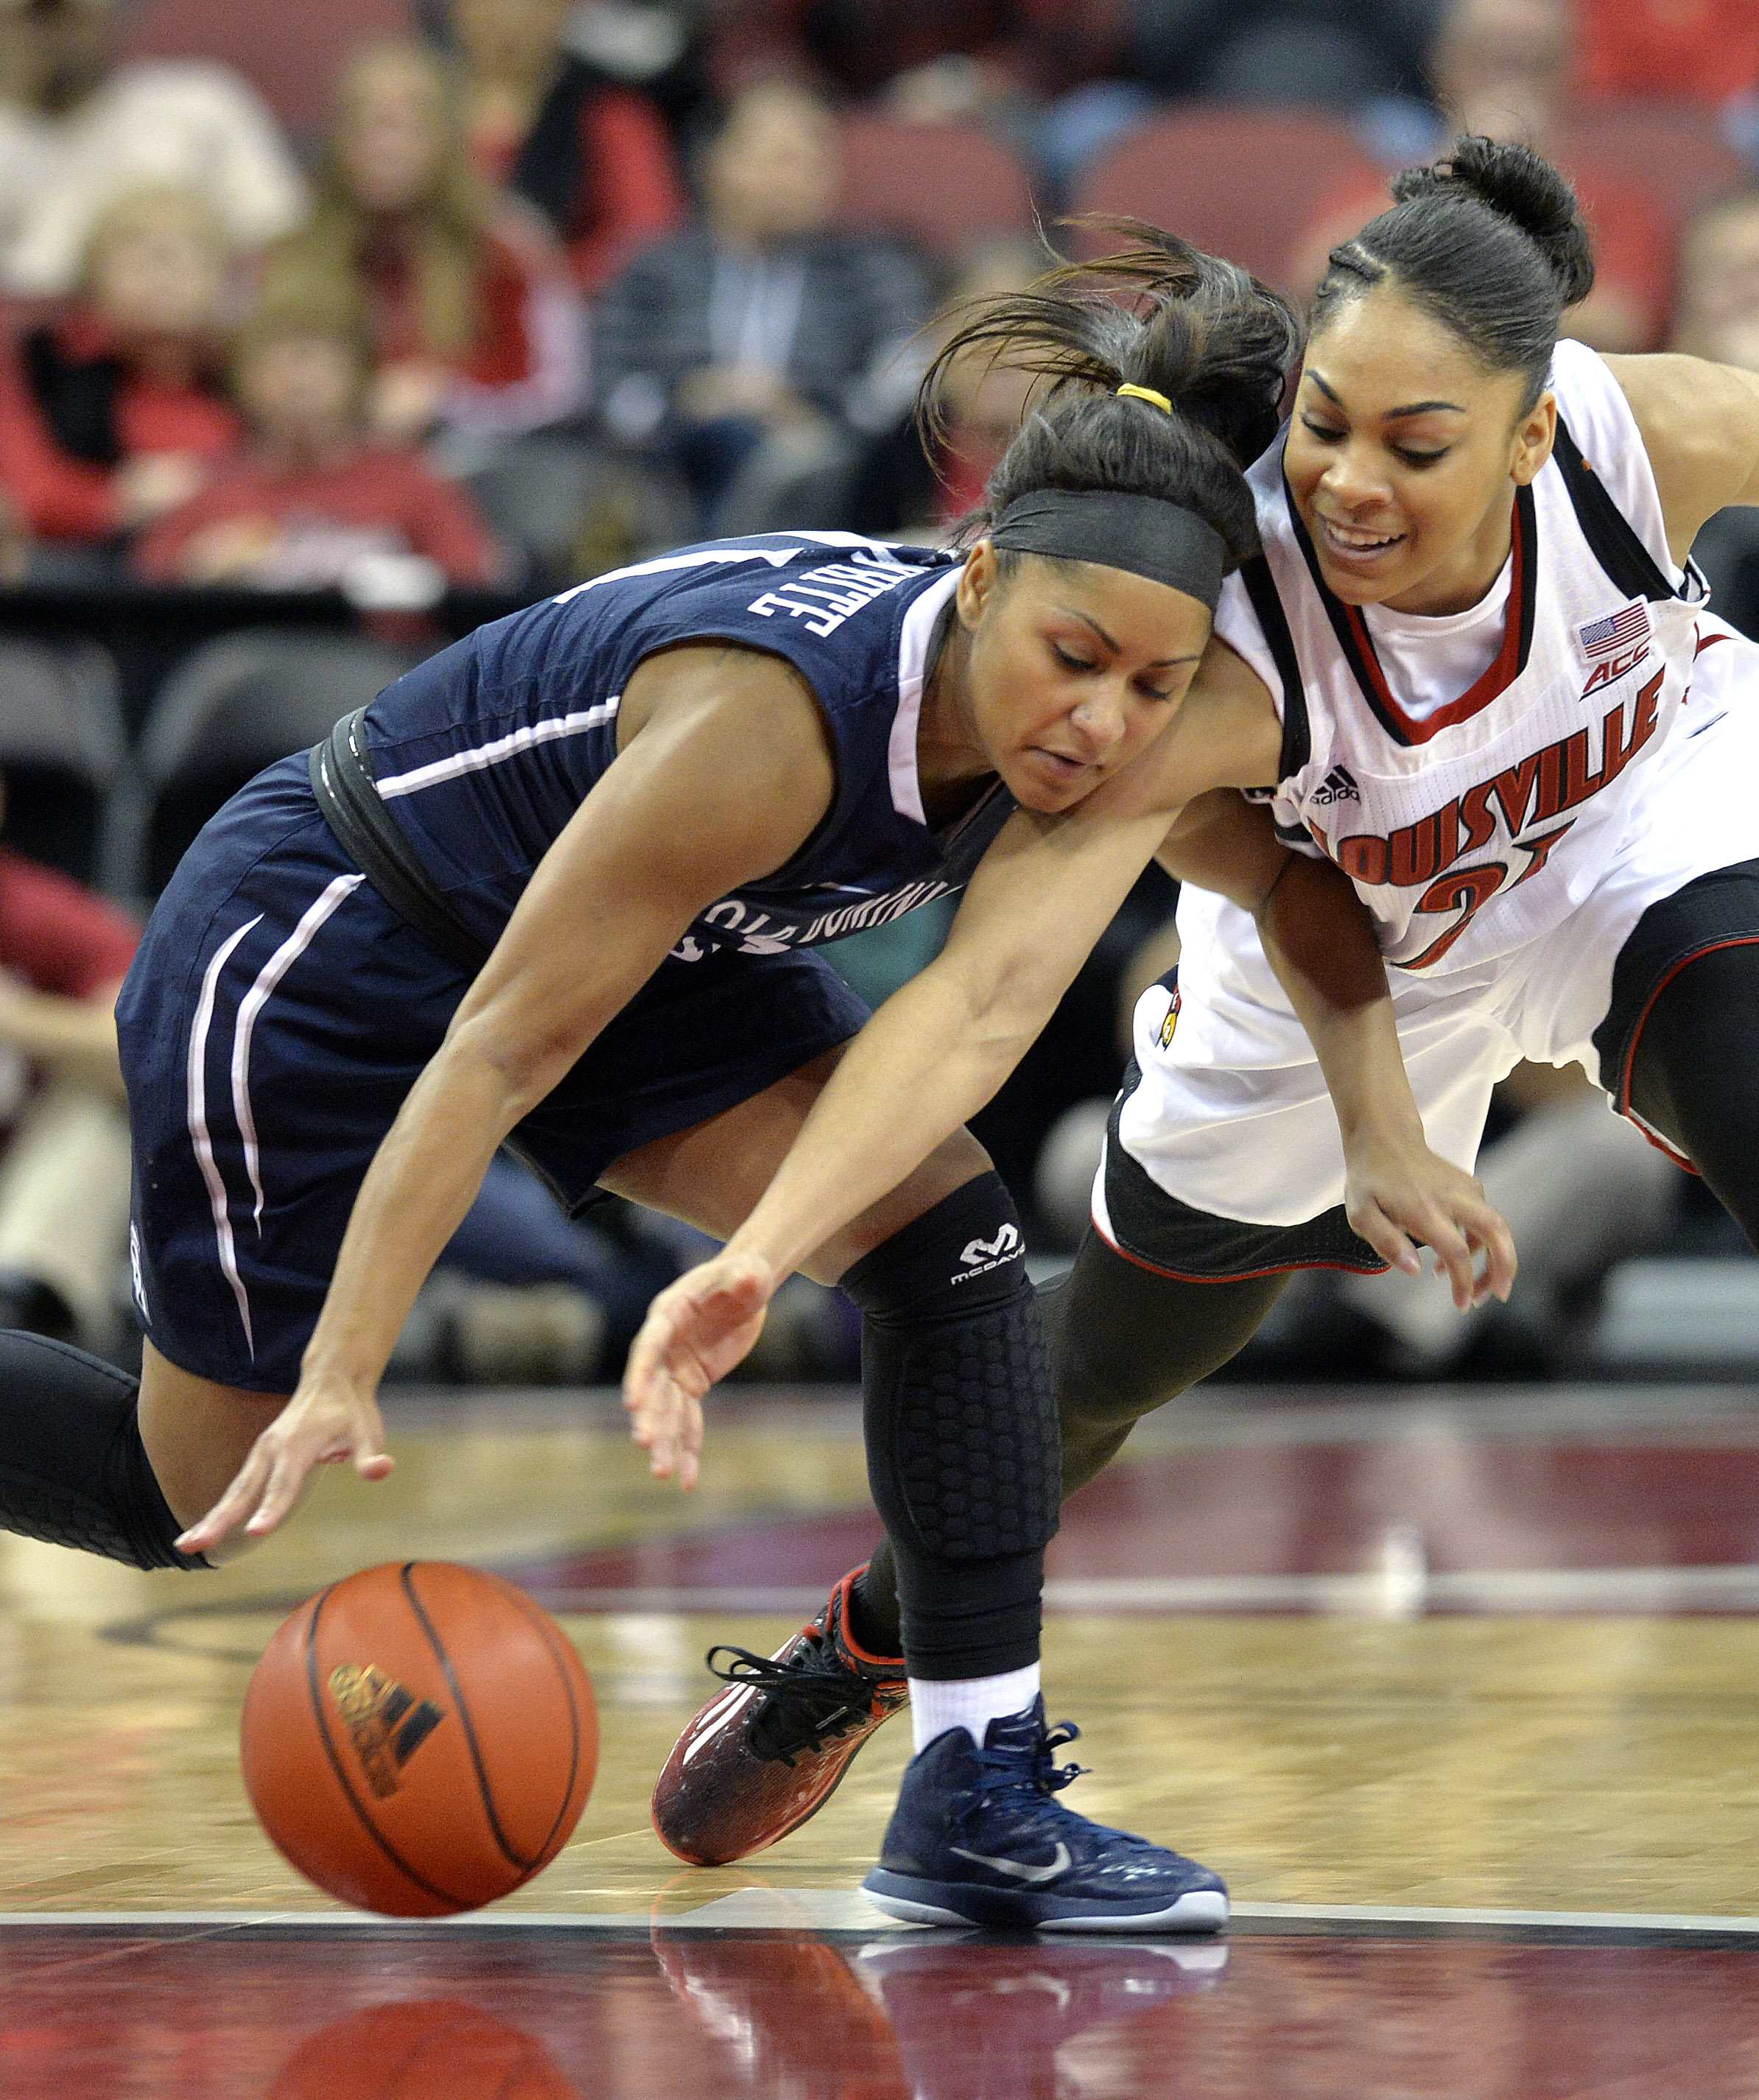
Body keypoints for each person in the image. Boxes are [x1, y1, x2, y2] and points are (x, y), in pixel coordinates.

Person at [0, 230, 1506, 1933]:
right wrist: (348, 1363)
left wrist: (1379, 1127)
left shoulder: (1109, 720)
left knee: (952, 1247)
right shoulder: (774, 722)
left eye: (1156, 686)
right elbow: (499, 1043)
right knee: (181, 1496)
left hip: (653, 955)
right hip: (339, 932)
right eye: (1076, 658)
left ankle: (973, 1797)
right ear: (987, 571)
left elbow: (1301, 891)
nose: (1102, 724)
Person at [634, 137, 1759, 1872]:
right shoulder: (1228, 648)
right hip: (1351, 944)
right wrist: (766, 1243)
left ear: (1536, 433)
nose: (1349, 482)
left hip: (1646, 814)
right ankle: (862, 1646)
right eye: (1323, 427)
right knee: (1102, 1369)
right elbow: (990, 992)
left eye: (1418, 443)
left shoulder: (1646, 433)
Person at [593, 77, 929, 535]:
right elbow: (611, 387)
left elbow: (903, 379)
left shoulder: (869, 270)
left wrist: (809, 413)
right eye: (783, 158)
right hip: (674, 467)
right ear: (717, 163)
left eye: (819, 161)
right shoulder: (653, 270)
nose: (807, 178)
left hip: (823, 472)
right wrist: (688, 405)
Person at [261, 41, 586, 452]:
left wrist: (445, 400)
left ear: (449, 139)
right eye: (366, 124)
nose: (383, 145)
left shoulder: (508, 246)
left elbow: (560, 391)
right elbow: (244, 382)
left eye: (406, 125)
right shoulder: (287, 252)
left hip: (470, 464)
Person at [133, 285, 502, 591]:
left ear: (358, 376)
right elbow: (144, 600)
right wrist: (200, 569)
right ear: (242, 378)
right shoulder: (207, 487)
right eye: (280, 360)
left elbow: (471, 589)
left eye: (320, 359)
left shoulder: (411, 481)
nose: (300, 379)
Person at [0, 183, 240, 564]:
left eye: (184, 253)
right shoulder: (41, 361)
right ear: (92, 279)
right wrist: (117, 499)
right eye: (138, 253)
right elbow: (26, 492)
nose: (163, 274)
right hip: (82, 579)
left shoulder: (248, 368)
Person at [0, 0, 306, 298]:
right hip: (34, 335)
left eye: (70, 19)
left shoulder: (199, 103)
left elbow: (280, 240)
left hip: (195, 331)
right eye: (33, 19)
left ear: (112, 19)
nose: (53, 38)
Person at [446, 0, 687, 295]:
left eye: (529, 6)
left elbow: (650, 237)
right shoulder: (424, 106)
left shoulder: (607, 110)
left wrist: (551, 276)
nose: (507, 18)